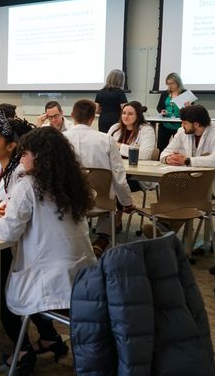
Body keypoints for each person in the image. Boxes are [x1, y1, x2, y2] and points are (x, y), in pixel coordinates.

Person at [0, 126, 96, 376]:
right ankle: (48, 339)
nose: (22, 159)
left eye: (25, 154)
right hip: (85, 279)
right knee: (18, 274)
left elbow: (8, 233)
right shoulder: (72, 183)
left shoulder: (29, 185)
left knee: (2, 289)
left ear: (39, 157)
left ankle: (23, 351)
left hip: (51, 280)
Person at [64, 99, 133, 257]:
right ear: (92, 117)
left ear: (72, 115)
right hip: (100, 201)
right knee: (110, 192)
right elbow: (119, 177)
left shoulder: (60, 139)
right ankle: (102, 239)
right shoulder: (106, 140)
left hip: (67, 200)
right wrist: (126, 202)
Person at [160, 104, 215, 201]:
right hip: (187, 179)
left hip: (212, 182)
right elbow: (166, 151)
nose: (181, 126)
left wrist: (187, 161)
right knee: (169, 190)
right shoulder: (182, 131)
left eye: (184, 123)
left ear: (196, 124)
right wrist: (168, 159)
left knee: (177, 196)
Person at [107, 101, 156, 190]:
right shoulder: (115, 128)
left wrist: (119, 146)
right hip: (115, 169)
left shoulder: (147, 130)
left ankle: (123, 204)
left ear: (138, 115)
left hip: (136, 174)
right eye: (124, 113)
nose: (125, 116)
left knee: (115, 185)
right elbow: (105, 147)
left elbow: (145, 155)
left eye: (130, 114)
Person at [156, 72, 190, 151]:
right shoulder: (165, 93)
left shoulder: (185, 93)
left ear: (178, 83)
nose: (170, 86)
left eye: (172, 83)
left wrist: (188, 107)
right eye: (168, 84)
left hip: (180, 125)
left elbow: (192, 109)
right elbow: (159, 107)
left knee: (180, 147)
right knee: (161, 146)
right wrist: (162, 111)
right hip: (165, 124)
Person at [94, 69, 128, 134]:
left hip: (103, 119)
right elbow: (124, 109)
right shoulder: (120, 92)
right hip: (116, 119)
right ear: (120, 81)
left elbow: (96, 110)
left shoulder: (100, 92)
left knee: (104, 138)